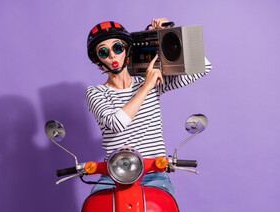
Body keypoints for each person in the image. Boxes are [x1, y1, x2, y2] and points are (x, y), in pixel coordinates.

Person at [85, 18, 212, 195]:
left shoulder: (152, 82)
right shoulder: (96, 92)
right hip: (113, 175)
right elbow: (117, 123)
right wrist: (146, 86)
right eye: (104, 52)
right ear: (97, 60)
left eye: (118, 48)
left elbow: (204, 66)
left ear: (127, 50)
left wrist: (167, 37)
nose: (113, 55)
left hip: (153, 173)